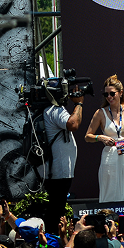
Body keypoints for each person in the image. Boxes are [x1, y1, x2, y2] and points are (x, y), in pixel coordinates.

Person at [84, 75, 124, 202]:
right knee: (111, 190)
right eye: (106, 94)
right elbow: (88, 136)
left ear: (120, 93)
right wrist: (100, 137)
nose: (109, 97)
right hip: (110, 154)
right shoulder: (100, 113)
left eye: (112, 93)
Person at [42, 80, 84, 233]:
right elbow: (73, 124)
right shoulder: (55, 110)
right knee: (56, 210)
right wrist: (79, 103)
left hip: (55, 169)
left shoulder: (48, 109)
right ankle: (52, 239)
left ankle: (50, 237)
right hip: (59, 170)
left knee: (55, 207)